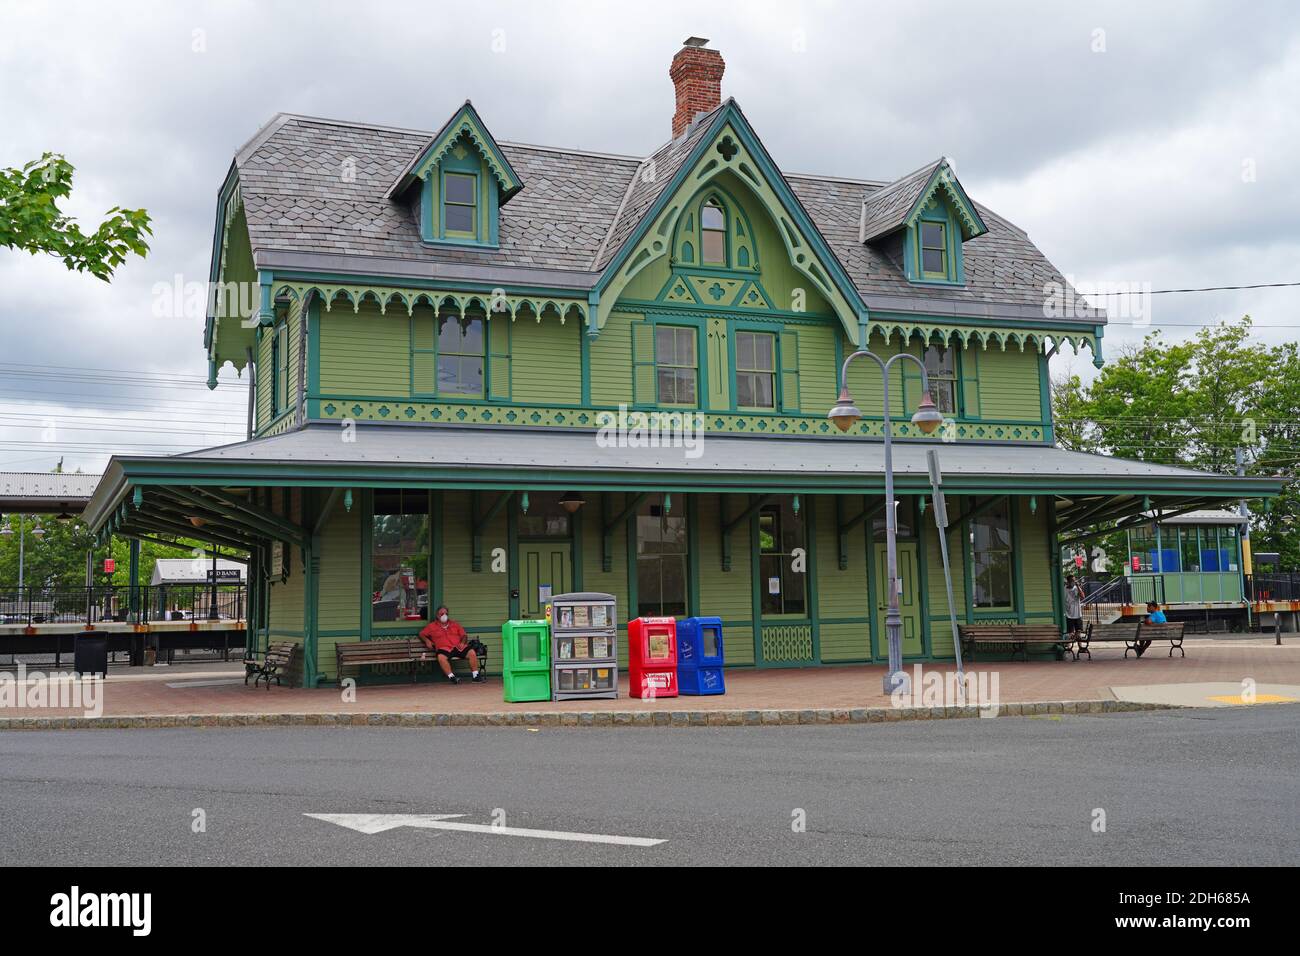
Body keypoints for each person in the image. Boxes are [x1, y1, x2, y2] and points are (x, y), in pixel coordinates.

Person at [418, 605, 483, 684]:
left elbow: (464, 635)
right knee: (441, 657)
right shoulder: (431, 626)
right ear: (437, 615)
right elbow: (421, 634)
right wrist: (427, 641)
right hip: (444, 648)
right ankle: (452, 677)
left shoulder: (455, 624)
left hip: (458, 647)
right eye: (441, 614)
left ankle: (475, 676)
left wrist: (462, 643)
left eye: (445, 613)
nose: (444, 615)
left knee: (471, 652)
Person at [1063, 574, 1085, 638]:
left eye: (1074, 580)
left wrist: (1078, 586)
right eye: (1072, 580)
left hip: (1077, 614)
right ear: (1068, 581)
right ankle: (1069, 646)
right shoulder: (1064, 589)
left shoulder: (1076, 588)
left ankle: (1080, 646)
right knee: (1070, 633)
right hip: (1069, 615)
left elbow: (1083, 596)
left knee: (1078, 633)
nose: (1074, 582)